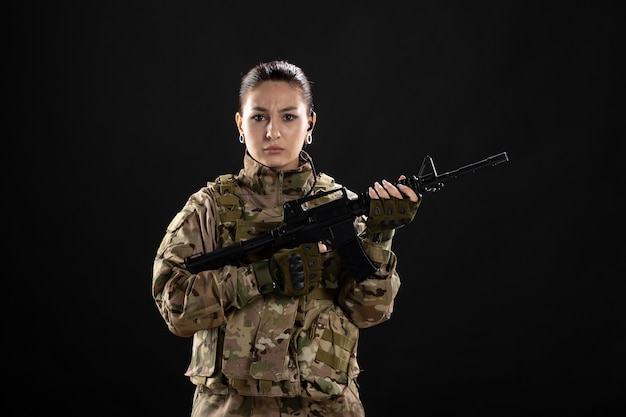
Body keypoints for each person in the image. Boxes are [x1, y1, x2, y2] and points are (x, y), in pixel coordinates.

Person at [152, 60, 420, 417]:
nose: (272, 132)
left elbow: (369, 313)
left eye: (289, 117)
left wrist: (379, 237)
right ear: (240, 123)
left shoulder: (342, 206)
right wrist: (262, 276)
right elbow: (174, 309)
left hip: (325, 408)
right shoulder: (210, 208)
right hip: (231, 408)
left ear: (310, 122)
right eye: (259, 117)